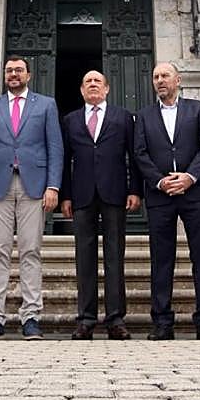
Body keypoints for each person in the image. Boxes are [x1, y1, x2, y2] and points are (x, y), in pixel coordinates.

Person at [0, 56, 64, 340]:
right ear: (4, 75)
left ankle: (31, 316)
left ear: (29, 75)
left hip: (33, 186)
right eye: (9, 70)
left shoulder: (46, 105)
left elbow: (55, 148)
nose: (14, 74)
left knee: (31, 251)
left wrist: (53, 186)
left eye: (19, 70)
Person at [133, 62, 200, 341]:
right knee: (161, 259)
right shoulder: (143, 116)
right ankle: (162, 322)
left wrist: (189, 177)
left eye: (165, 76)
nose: (160, 80)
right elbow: (140, 153)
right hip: (160, 196)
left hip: (196, 193)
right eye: (156, 76)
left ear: (178, 80)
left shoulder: (198, 109)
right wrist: (160, 181)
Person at [60, 70, 140, 341]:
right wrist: (66, 196)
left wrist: (134, 189)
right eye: (87, 82)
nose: (92, 85)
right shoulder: (70, 120)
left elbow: (133, 155)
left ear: (106, 89)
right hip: (82, 195)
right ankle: (86, 319)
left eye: (97, 81)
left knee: (115, 256)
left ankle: (116, 319)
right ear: (82, 91)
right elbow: (64, 160)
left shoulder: (123, 117)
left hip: (115, 193)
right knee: (84, 258)